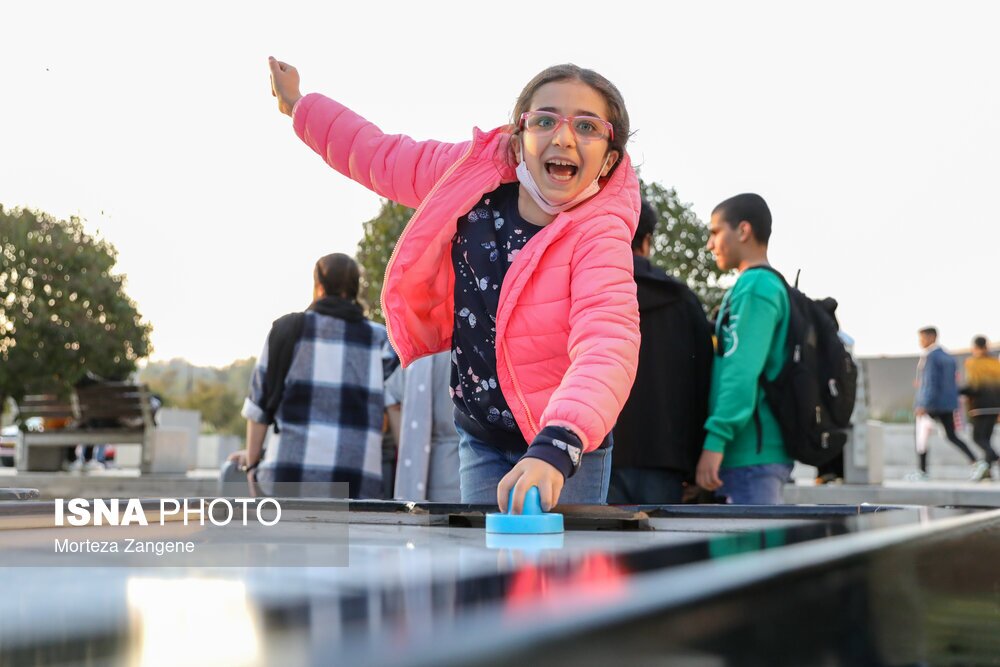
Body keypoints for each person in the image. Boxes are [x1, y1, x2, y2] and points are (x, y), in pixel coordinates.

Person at [268, 58, 641, 513]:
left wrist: (560, 442)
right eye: (544, 120)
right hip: (482, 434)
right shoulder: (469, 173)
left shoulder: (600, 235)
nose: (563, 136)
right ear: (519, 138)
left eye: (587, 127)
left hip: (566, 444)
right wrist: (301, 106)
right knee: (488, 572)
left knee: (558, 576)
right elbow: (381, 155)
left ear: (609, 159)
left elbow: (608, 345)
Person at [230, 253, 387, 498]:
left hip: (288, 476)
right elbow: (394, 406)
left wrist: (251, 466)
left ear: (318, 286)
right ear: (356, 289)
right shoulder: (381, 339)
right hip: (356, 482)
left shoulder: (286, 330)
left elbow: (258, 409)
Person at [609, 200, 713, 504]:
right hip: (666, 460)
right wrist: (695, 463)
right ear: (647, 241)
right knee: (660, 550)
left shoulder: (588, 294)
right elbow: (703, 385)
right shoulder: (683, 301)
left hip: (597, 455)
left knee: (596, 550)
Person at [694, 193, 793, 504]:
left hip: (750, 454)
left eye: (715, 232)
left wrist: (715, 441)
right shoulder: (763, 285)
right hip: (754, 453)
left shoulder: (755, 288)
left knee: (750, 552)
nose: (710, 244)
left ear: (743, 231)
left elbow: (741, 370)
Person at [385, 351, 461, 502]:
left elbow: (391, 395)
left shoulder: (428, 348)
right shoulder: (484, 338)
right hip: (486, 466)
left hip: (431, 471)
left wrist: (409, 442)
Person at [914, 326, 983, 480]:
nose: (920, 342)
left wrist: (922, 404)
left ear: (931, 337)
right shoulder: (948, 357)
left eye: (922, 338)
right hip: (947, 404)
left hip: (932, 405)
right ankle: (976, 461)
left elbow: (930, 383)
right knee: (951, 436)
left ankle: (922, 472)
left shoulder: (930, 357)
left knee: (921, 436)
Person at [960, 335, 1000, 480]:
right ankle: (988, 472)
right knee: (987, 439)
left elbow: (974, 387)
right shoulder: (996, 363)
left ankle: (995, 457)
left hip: (980, 407)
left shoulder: (972, 363)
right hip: (995, 406)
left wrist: (958, 390)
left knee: (977, 438)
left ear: (975, 348)